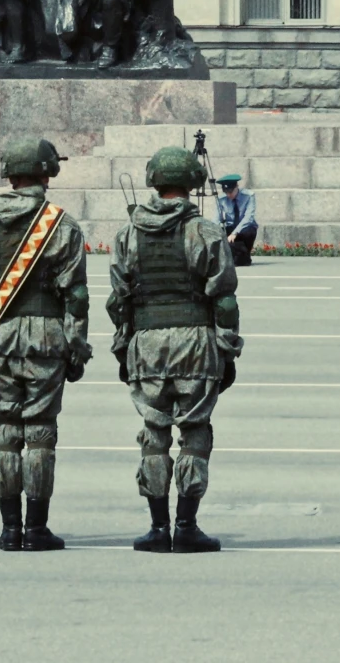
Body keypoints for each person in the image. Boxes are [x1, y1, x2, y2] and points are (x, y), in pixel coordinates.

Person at [0, 137, 92, 552]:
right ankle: (36, 528)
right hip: (47, 339)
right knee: (39, 434)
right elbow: (77, 297)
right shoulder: (62, 226)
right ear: (47, 173)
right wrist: (76, 348)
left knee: (6, 433)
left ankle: (9, 528)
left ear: (10, 175)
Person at [109, 145, 242, 555]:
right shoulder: (205, 231)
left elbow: (119, 301)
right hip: (195, 342)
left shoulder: (128, 233)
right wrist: (227, 348)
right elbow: (223, 298)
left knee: (154, 433)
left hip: (147, 344)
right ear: (192, 184)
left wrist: (122, 349)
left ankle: (156, 528)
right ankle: (186, 525)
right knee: (195, 431)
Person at [214, 174, 258, 266]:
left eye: (231, 192)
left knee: (249, 230)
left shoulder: (249, 196)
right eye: (226, 192)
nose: (229, 195)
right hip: (230, 226)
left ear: (236, 187)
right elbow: (217, 218)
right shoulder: (221, 199)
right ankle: (241, 257)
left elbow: (248, 218)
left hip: (245, 227)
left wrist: (235, 233)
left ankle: (244, 255)